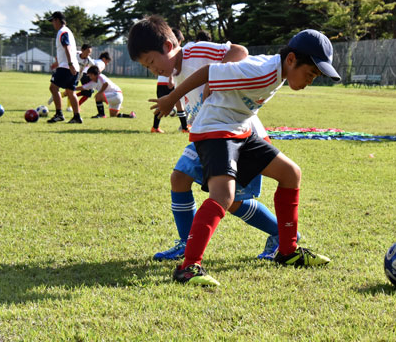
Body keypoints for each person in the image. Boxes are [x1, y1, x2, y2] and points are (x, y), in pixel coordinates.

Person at [150, 29, 341, 286]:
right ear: (292, 60)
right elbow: (208, 72)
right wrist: (171, 98)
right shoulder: (260, 71)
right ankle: (188, 268)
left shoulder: (278, 71)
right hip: (216, 130)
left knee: (290, 174)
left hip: (240, 129)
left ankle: (287, 252)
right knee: (224, 197)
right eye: (311, 74)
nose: (310, 81)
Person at [128, 15, 285, 263]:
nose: (152, 70)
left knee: (232, 202)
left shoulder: (193, 51)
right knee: (179, 178)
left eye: (151, 62)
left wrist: (216, 78)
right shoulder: (175, 75)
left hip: (236, 132)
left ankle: (280, 233)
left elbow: (239, 51)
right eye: (147, 67)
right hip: (209, 135)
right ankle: (186, 242)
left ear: (168, 46)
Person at [47, 11, 82, 124]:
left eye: (53, 21)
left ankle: (59, 114)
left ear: (57, 20)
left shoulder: (62, 32)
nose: (53, 24)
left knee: (53, 88)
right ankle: (77, 117)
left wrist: (70, 64)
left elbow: (66, 47)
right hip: (73, 67)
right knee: (70, 92)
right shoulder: (68, 31)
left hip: (67, 67)